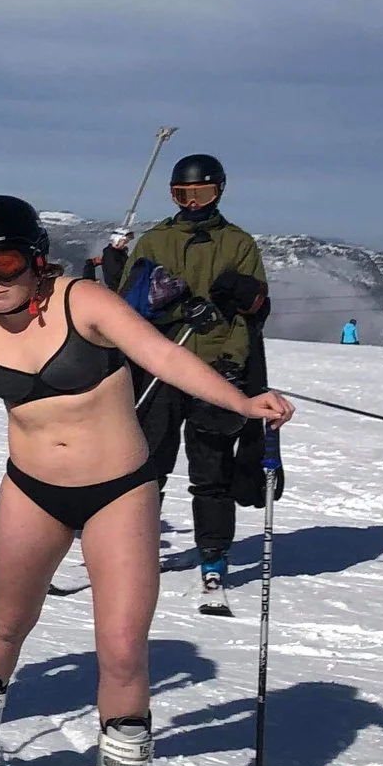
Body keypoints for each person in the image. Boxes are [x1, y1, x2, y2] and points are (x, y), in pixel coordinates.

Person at [0, 196, 292, 766]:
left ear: (35, 257)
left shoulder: (85, 303)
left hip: (119, 491)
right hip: (32, 490)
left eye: (2, 263)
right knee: (6, 623)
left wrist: (242, 403)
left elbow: (165, 358)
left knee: (122, 647)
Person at [114, 153, 270, 606]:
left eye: (202, 193)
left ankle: (214, 558)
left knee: (212, 471)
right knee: (148, 467)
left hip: (213, 370)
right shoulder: (156, 240)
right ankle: (136, 550)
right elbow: (131, 302)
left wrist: (232, 361)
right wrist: (178, 309)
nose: (194, 203)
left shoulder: (238, 244)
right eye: (184, 195)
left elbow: (252, 315)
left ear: (219, 191)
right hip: (161, 367)